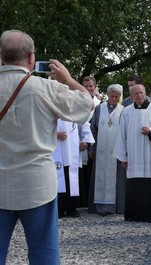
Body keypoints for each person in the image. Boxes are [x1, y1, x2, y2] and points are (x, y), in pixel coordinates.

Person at [0, 29, 93, 264]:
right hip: (36, 184)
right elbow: (85, 104)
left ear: (1, 55)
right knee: (43, 253)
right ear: (32, 57)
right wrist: (68, 80)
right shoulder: (45, 88)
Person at [113, 84, 151, 222]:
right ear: (131, 97)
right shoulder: (126, 111)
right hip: (134, 154)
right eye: (136, 94)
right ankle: (134, 214)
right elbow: (121, 134)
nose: (140, 96)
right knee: (135, 184)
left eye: (141, 93)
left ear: (146, 93)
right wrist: (123, 157)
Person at [89, 84, 125, 215]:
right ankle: (98, 207)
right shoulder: (99, 109)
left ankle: (114, 207)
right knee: (99, 176)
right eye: (112, 96)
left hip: (115, 150)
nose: (114, 99)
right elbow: (93, 128)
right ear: (108, 95)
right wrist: (91, 148)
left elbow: (124, 132)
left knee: (115, 179)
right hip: (101, 149)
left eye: (117, 96)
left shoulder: (123, 110)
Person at [53, 120, 94, 218]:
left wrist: (86, 142)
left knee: (73, 180)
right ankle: (58, 208)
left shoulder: (75, 110)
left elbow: (84, 124)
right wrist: (54, 134)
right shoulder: (52, 108)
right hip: (57, 150)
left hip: (73, 150)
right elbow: (43, 126)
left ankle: (72, 208)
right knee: (59, 179)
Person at [79, 76, 101, 208]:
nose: (88, 89)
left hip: (95, 141)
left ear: (95, 86)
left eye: (91, 86)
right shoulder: (76, 101)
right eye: (86, 86)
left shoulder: (99, 104)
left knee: (92, 170)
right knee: (81, 171)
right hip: (79, 140)